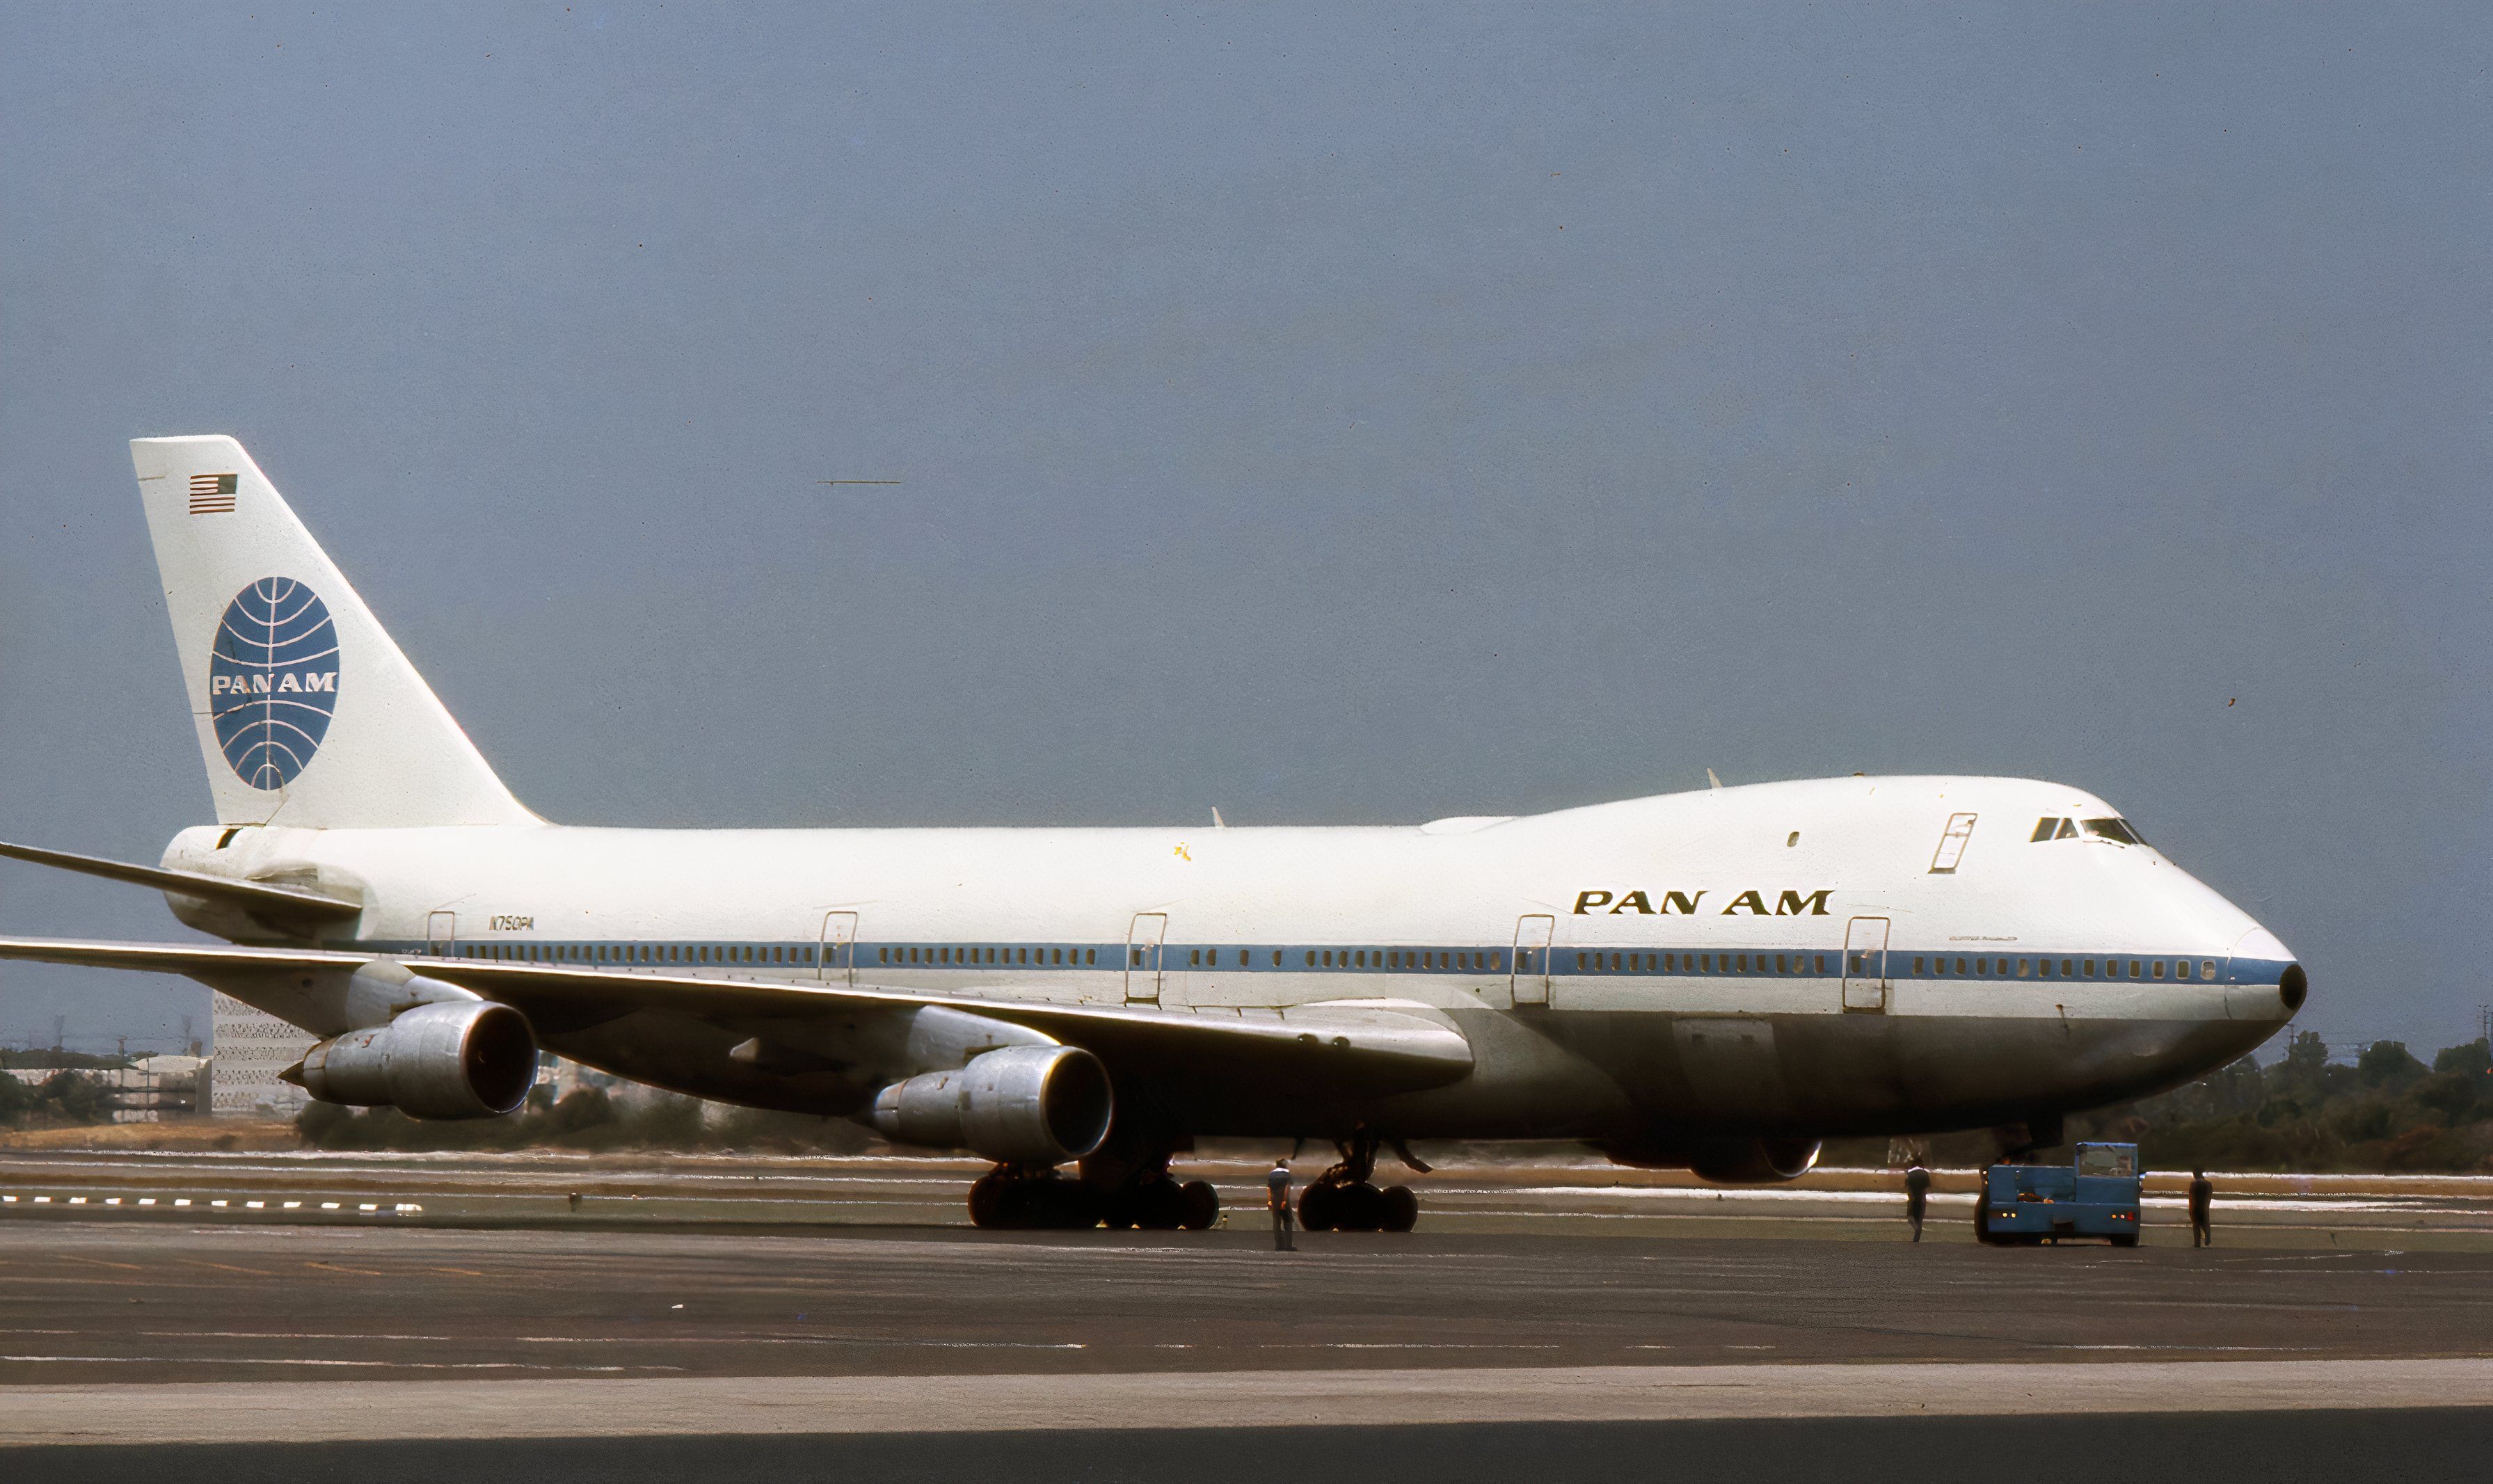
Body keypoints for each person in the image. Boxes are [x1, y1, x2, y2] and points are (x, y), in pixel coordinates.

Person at [1268, 1158, 1296, 1252]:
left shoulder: (1272, 1174)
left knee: (1276, 1222)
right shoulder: (1286, 1174)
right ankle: (1288, 1246)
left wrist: (1269, 1201)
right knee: (1288, 1221)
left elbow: (1269, 1189)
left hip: (1274, 1199)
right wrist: (1284, 1201)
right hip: (1284, 1199)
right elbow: (1287, 1188)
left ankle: (1278, 1246)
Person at [1904, 1161, 1931, 1243]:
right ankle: (1917, 1237)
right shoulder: (1925, 1174)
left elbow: (1909, 1190)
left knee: (1912, 1219)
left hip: (1913, 1200)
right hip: (1921, 1200)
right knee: (1919, 1221)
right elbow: (1925, 1190)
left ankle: (1917, 1233)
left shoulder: (1910, 1175)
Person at [2189, 1167, 2213, 1247]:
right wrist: (2206, 1206)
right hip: (2204, 1206)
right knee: (2206, 1223)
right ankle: (2208, 1240)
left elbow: (2192, 1198)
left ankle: (2197, 1243)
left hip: (2196, 1207)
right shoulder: (2208, 1184)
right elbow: (2209, 1196)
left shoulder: (2193, 1184)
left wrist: (2191, 1210)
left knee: (2196, 1226)